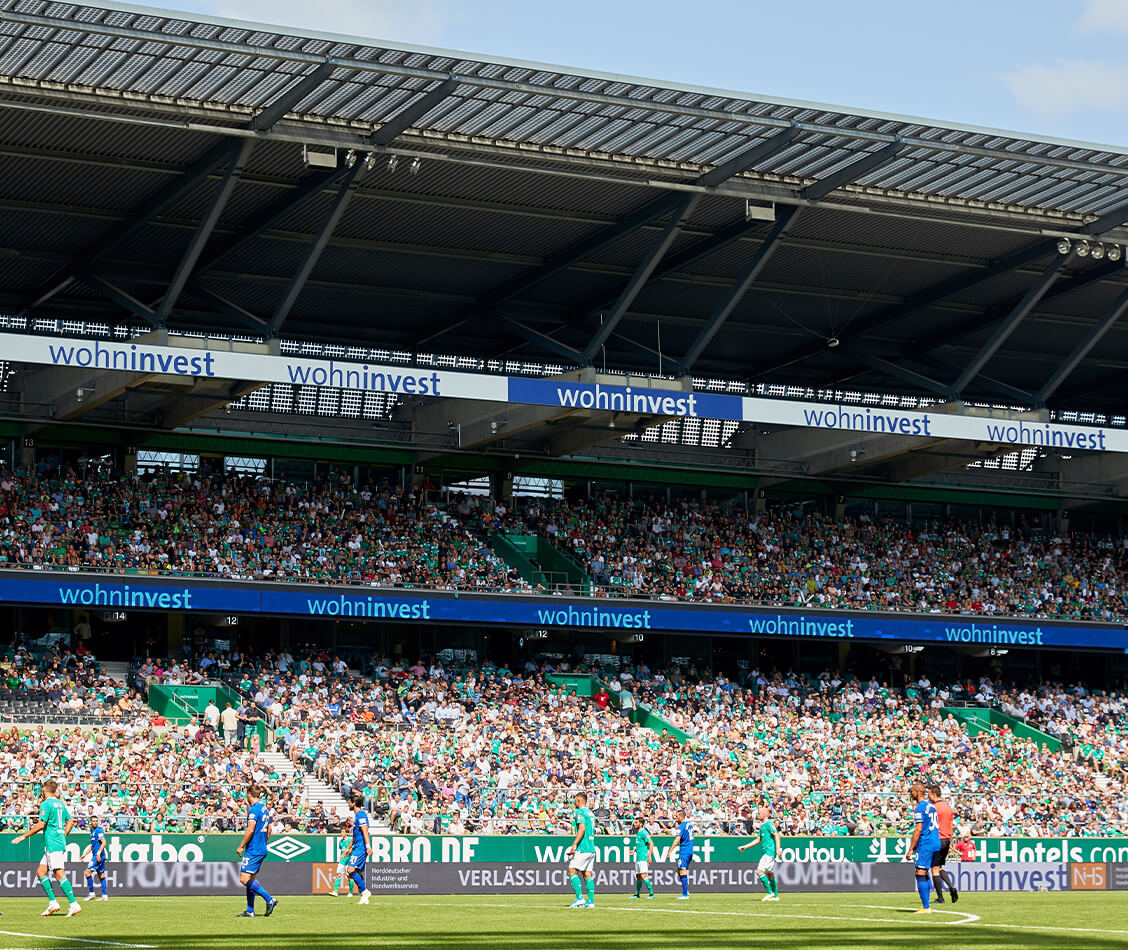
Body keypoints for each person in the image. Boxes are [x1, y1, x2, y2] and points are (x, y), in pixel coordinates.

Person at [13, 779, 81, 917]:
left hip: (53, 843)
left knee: (59, 874)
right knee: (40, 872)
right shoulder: (60, 804)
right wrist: (63, 835)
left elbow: (41, 825)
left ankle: (74, 904)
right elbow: (70, 822)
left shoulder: (46, 804)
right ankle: (53, 902)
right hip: (56, 842)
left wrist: (23, 836)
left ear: (44, 790)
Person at [235, 783, 278, 918]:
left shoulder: (253, 810)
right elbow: (269, 829)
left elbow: (250, 829)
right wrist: (264, 842)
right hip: (261, 847)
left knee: (243, 878)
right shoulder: (264, 808)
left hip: (253, 849)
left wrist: (241, 845)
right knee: (250, 878)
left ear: (249, 795)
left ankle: (269, 899)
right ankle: (250, 910)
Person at [908, 781, 940, 914]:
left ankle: (926, 907)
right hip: (935, 842)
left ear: (917, 792)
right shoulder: (931, 805)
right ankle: (926, 905)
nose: (910, 794)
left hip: (926, 843)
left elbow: (918, 828)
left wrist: (911, 847)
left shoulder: (920, 807)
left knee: (920, 872)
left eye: (911, 791)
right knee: (925, 872)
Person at [738, 804, 781, 902]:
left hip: (769, 852)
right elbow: (758, 840)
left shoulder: (769, 824)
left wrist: (778, 849)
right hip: (768, 852)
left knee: (759, 871)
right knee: (770, 874)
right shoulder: (762, 827)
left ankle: (770, 893)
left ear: (765, 814)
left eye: (759, 813)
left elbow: (777, 835)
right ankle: (776, 896)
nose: (757, 815)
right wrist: (745, 847)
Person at [564, 791, 596, 909]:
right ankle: (590, 901)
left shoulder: (579, 812)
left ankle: (579, 898)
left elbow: (581, 829)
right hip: (591, 848)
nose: (574, 803)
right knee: (587, 874)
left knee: (572, 871)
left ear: (578, 800)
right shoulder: (591, 813)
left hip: (583, 847)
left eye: (575, 801)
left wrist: (574, 844)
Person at [928, 784, 959, 904]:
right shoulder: (948, 807)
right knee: (939, 867)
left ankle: (940, 898)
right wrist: (950, 841)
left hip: (938, 839)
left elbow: (931, 826)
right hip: (946, 839)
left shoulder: (933, 808)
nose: (928, 797)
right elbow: (951, 825)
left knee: (934, 869)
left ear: (934, 795)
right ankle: (951, 886)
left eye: (929, 794)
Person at [346, 792, 373, 906]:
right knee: (357, 871)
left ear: (354, 803)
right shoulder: (357, 816)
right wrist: (348, 847)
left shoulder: (361, 815)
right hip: (357, 846)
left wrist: (368, 846)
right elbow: (355, 835)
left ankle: (365, 891)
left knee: (350, 869)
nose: (348, 803)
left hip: (361, 847)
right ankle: (364, 897)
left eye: (349, 802)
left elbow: (365, 830)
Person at [81, 814, 109, 901]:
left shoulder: (99, 830)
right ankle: (104, 896)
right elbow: (92, 845)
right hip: (99, 855)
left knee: (87, 872)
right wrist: (85, 854)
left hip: (98, 856)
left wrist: (98, 853)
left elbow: (104, 842)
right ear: (90, 822)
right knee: (101, 874)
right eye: (94, 821)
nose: (95, 822)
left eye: (96, 821)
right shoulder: (92, 831)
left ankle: (92, 893)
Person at [628, 817, 656, 900]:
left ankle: (651, 893)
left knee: (644, 875)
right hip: (638, 857)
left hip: (643, 858)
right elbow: (641, 845)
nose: (635, 824)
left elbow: (651, 843)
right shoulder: (638, 833)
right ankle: (637, 894)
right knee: (638, 876)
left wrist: (649, 856)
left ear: (641, 823)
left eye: (636, 822)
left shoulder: (644, 832)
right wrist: (634, 850)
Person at [671, 808, 695, 900]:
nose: (675, 818)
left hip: (684, 851)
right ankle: (686, 890)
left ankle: (685, 894)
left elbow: (677, 839)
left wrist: (670, 851)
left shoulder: (681, 826)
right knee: (679, 869)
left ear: (681, 816)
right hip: (690, 851)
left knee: (682, 870)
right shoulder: (690, 825)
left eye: (676, 816)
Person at [331, 817, 357, 897]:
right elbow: (341, 850)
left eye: (343, 832)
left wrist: (344, 855)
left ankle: (350, 893)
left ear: (346, 833)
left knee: (349, 877)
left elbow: (351, 851)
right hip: (342, 861)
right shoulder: (341, 842)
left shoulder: (349, 841)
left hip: (349, 861)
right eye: (341, 832)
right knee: (338, 874)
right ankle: (335, 891)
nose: (341, 833)